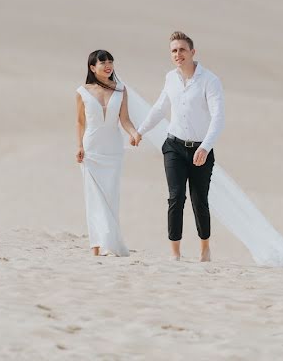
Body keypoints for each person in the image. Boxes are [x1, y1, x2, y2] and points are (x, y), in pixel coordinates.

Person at [136, 31, 224, 262]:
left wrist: (205, 147)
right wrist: (140, 131)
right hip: (173, 146)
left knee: (199, 200)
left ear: (192, 52)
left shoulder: (209, 80)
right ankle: (175, 253)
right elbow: (159, 107)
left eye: (182, 50)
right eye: (174, 51)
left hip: (201, 150)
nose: (178, 54)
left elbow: (218, 118)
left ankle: (204, 247)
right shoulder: (170, 78)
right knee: (176, 197)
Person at [75, 50, 141, 256]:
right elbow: (80, 121)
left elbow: (125, 119)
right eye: (103, 62)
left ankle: (110, 243)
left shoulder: (121, 90)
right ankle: (95, 246)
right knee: (93, 197)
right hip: (91, 149)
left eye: (110, 61)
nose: (108, 65)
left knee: (111, 196)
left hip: (113, 150)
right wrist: (79, 146)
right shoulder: (82, 91)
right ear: (92, 67)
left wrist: (133, 133)